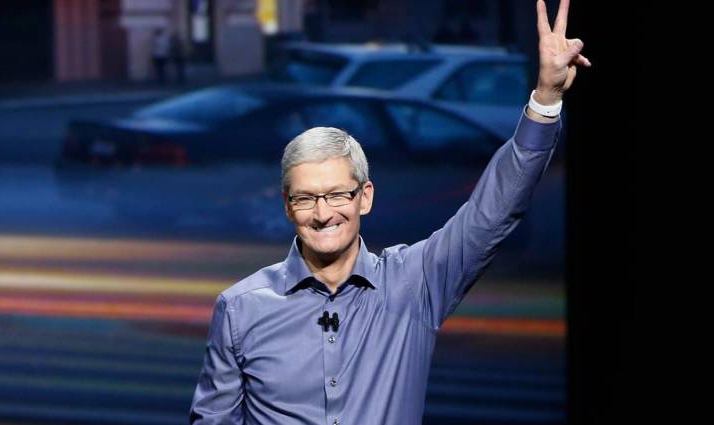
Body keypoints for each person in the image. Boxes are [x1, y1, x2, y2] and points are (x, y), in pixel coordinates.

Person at [189, 1, 591, 424]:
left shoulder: (413, 283)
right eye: (306, 198)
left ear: (365, 197)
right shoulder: (241, 309)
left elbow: (490, 215)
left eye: (337, 195)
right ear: (288, 206)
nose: (323, 213)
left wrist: (546, 101)